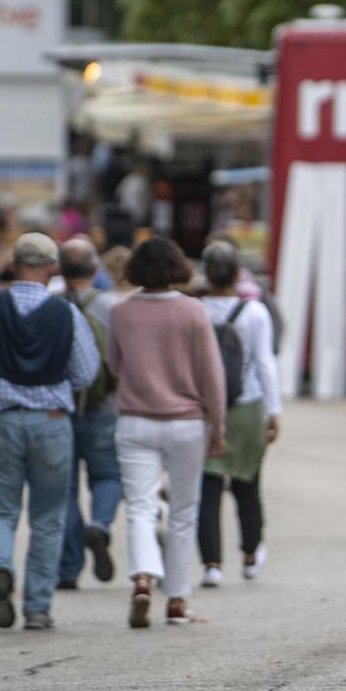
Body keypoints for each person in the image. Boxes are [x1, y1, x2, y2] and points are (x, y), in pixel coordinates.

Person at [0, 233, 100, 630]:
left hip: (1, 422)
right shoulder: (66, 314)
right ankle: (37, 606)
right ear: (53, 267)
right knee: (48, 516)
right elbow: (85, 373)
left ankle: (0, 567)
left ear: (13, 264)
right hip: (52, 422)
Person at [107, 237, 227, 629]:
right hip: (186, 423)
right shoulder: (194, 310)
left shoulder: (121, 312)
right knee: (182, 512)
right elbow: (212, 374)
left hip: (135, 420)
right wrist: (218, 425)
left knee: (140, 506)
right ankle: (177, 600)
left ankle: (142, 577)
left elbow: (113, 365)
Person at [196, 242, 281, 586]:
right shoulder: (255, 312)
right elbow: (265, 363)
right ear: (236, 274)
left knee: (209, 487)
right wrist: (273, 410)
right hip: (247, 405)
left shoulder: (196, 310)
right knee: (248, 483)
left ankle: (212, 565)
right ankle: (249, 554)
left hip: (206, 409)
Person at [55, 238, 121, 590]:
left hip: (57, 408)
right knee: (108, 475)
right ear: (96, 270)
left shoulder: (50, 307)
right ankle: (101, 524)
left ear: (60, 271)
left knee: (62, 490)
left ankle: (68, 568)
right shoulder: (112, 309)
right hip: (104, 406)